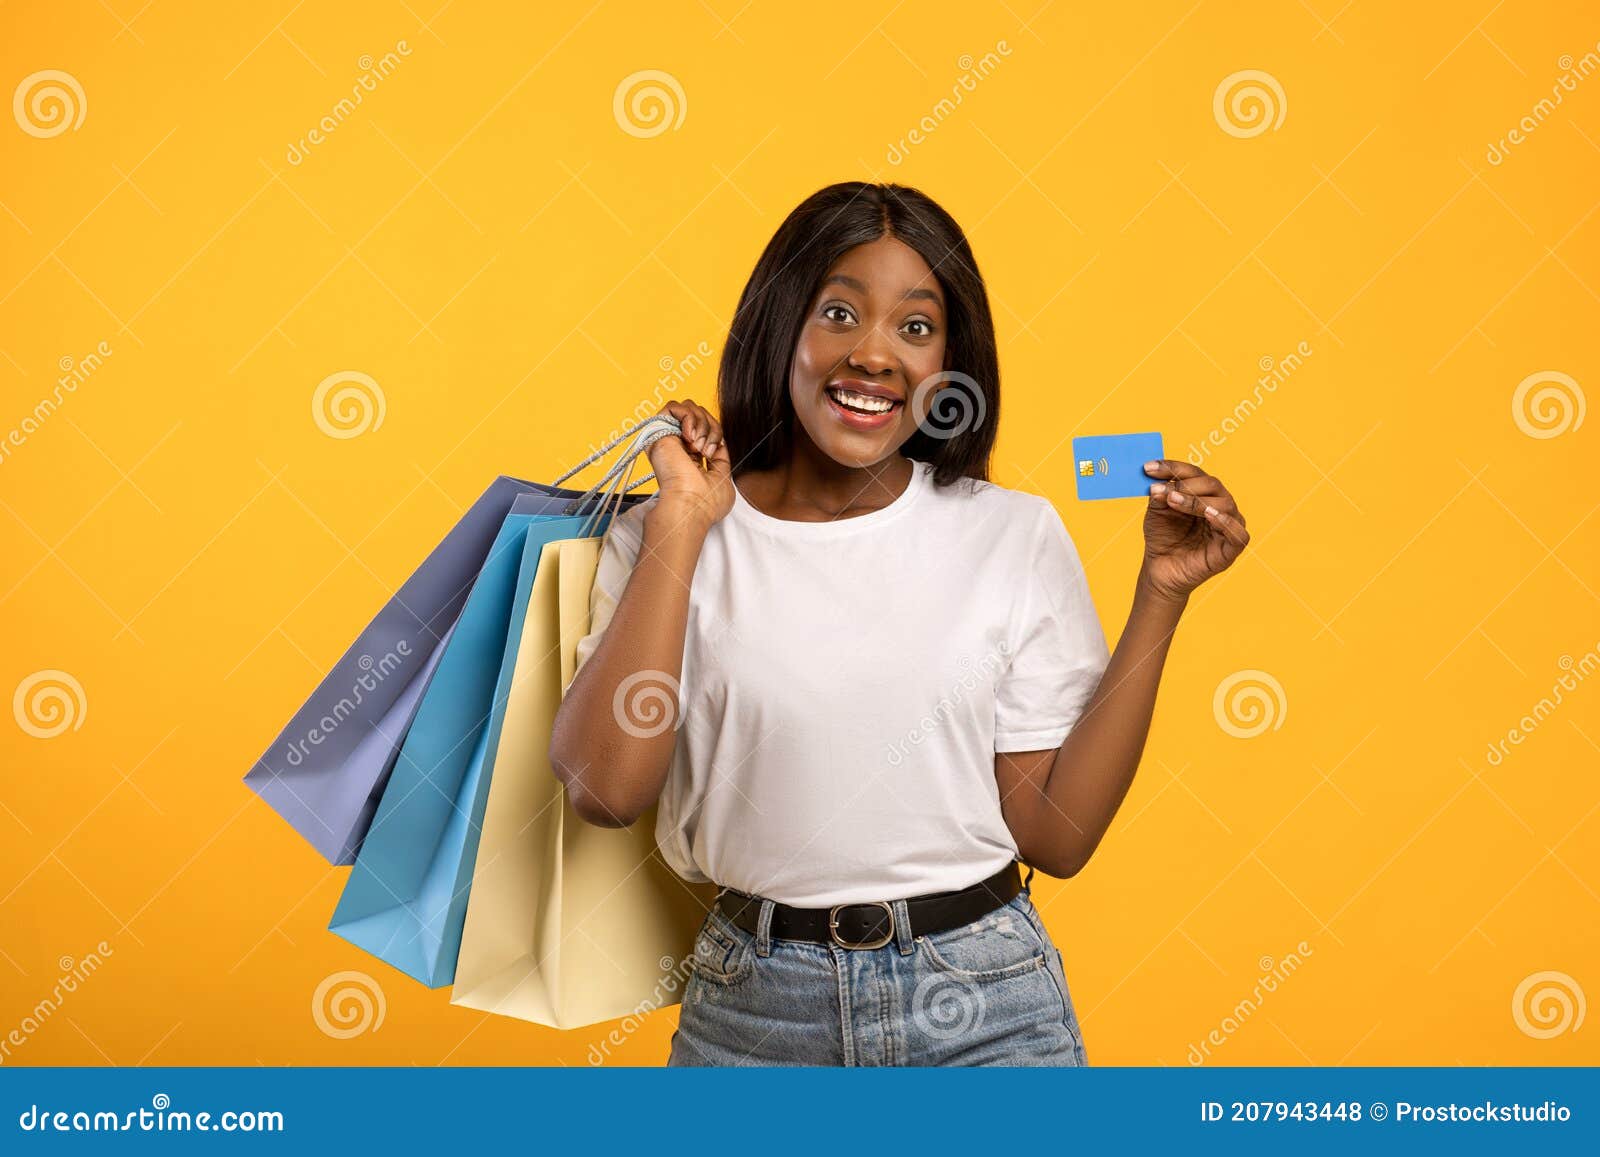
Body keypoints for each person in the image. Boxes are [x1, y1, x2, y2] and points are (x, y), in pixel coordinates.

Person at [549, 181, 1250, 1066]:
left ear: (950, 365)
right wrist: (682, 521)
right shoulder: (671, 536)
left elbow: (1056, 837)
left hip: (987, 1006)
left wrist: (1161, 593)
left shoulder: (1011, 532)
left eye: (915, 327)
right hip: (755, 1018)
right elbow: (603, 790)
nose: (874, 353)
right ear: (779, 329)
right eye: (838, 312)